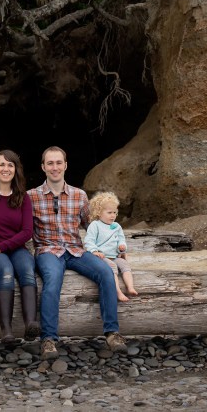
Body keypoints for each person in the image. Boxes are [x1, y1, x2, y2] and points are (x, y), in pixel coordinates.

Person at [29, 145, 128, 358]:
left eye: (58, 163)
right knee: (52, 279)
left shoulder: (79, 195)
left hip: (76, 250)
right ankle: (48, 339)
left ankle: (112, 332)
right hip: (48, 251)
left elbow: (93, 228)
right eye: (50, 163)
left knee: (104, 272)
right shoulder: (31, 197)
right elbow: (24, 230)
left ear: (65, 165)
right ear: (43, 167)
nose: (55, 167)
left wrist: (112, 250)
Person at [0, 148, 39, 343]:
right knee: (6, 270)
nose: (6, 168)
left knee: (27, 269)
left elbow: (27, 232)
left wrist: (2, 247)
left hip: (15, 249)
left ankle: (30, 324)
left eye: (10, 165)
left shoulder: (22, 197)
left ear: (15, 170)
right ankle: (7, 331)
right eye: (2, 164)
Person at [84, 191, 139, 302]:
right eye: (109, 212)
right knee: (112, 267)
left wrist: (122, 247)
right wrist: (94, 251)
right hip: (101, 257)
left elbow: (120, 239)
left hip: (114, 255)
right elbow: (89, 241)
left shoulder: (116, 226)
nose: (113, 215)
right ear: (99, 212)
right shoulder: (95, 225)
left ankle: (130, 287)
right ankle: (118, 292)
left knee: (124, 264)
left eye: (115, 212)